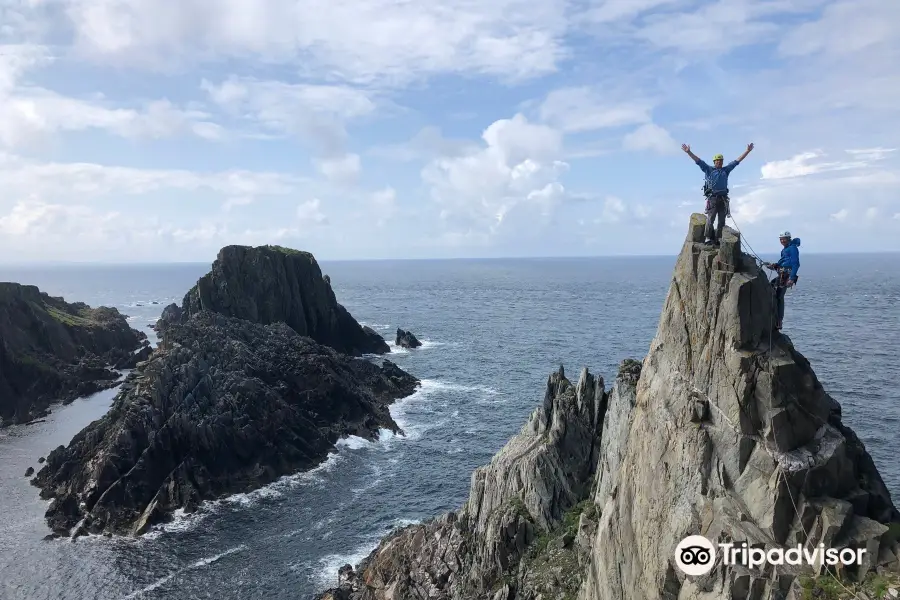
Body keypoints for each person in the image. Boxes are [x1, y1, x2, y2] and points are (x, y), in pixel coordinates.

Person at [681, 143, 755, 246]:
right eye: (717, 161)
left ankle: (718, 239)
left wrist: (747, 151)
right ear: (714, 162)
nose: (719, 162)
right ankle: (708, 238)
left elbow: (737, 161)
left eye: (721, 161)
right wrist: (689, 152)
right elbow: (698, 161)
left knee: (721, 221)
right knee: (710, 219)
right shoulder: (709, 169)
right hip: (713, 198)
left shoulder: (726, 170)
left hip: (723, 198)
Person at [765, 231, 801, 330]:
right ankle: (774, 317)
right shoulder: (785, 249)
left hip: (787, 275)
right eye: (780, 239)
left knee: (779, 296)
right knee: (772, 288)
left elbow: (795, 264)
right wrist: (774, 265)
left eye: (784, 239)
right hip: (782, 274)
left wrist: (791, 278)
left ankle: (779, 321)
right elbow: (784, 262)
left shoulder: (792, 249)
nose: (782, 241)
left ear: (789, 239)